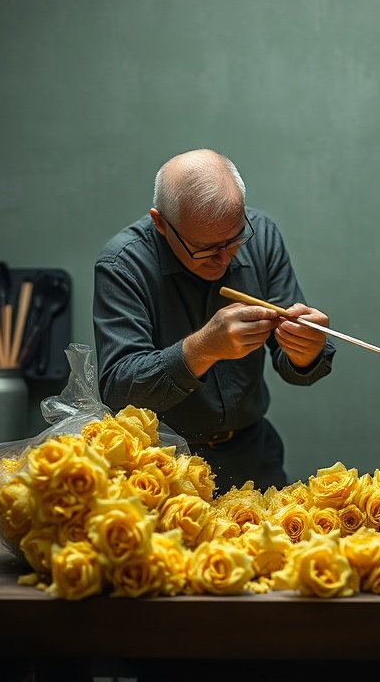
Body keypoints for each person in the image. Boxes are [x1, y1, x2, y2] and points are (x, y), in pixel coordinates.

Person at [93, 148, 336, 493]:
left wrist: (305, 352)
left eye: (234, 239)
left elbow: (294, 366)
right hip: (161, 466)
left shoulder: (262, 237)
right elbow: (119, 391)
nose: (223, 258)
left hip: (253, 453)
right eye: (205, 248)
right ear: (160, 223)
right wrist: (202, 348)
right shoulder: (122, 265)